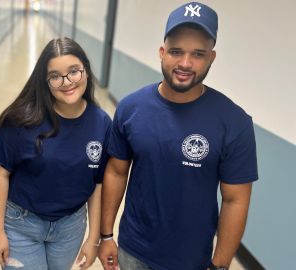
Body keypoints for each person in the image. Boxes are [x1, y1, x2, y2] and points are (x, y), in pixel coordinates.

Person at [98, 2, 258, 270]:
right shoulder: (130, 109)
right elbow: (115, 172)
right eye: (176, 51)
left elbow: (235, 199)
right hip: (133, 249)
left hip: (191, 259)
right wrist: (105, 235)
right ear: (162, 52)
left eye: (198, 54)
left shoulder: (234, 122)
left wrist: (219, 265)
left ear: (212, 57)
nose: (185, 63)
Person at [0, 37, 111, 270]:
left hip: (70, 227)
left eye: (74, 71)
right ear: (45, 81)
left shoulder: (101, 123)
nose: (66, 82)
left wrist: (94, 238)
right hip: (21, 224)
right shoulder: (21, 120)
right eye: (55, 76)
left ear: (86, 71)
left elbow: (97, 183)